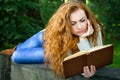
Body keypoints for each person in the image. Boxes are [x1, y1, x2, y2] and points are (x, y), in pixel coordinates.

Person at [1, 1, 104, 79]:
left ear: (88, 18)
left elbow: (88, 57)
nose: (80, 27)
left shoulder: (96, 29)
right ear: (66, 24)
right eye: (73, 23)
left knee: (16, 56)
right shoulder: (61, 32)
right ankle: (12, 49)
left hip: (56, 52)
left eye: (82, 20)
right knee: (18, 49)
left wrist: (83, 39)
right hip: (46, 37)